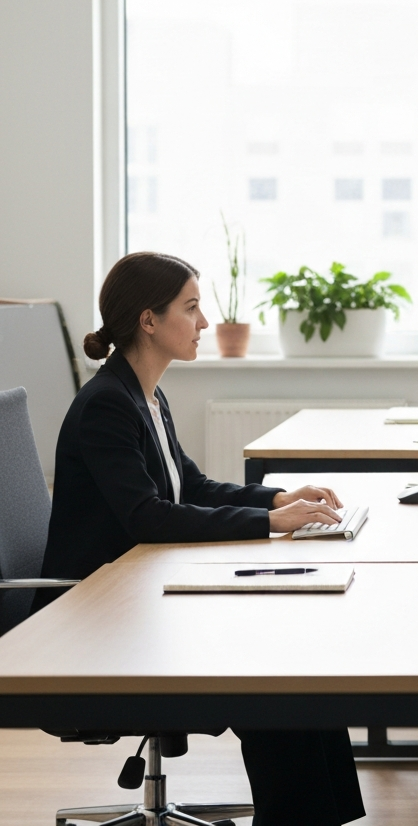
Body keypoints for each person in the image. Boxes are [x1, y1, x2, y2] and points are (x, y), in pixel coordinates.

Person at [37, 251, 365, 826]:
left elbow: (190, 485)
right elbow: (151, 518)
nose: (205, 323)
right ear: (148, 321)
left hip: (141, 599)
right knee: (269, 681)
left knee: (296, 660)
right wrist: (270, 525)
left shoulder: (146, 395)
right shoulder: (106, 408)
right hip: (97, 625)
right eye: (191, 308)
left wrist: (278, 500)